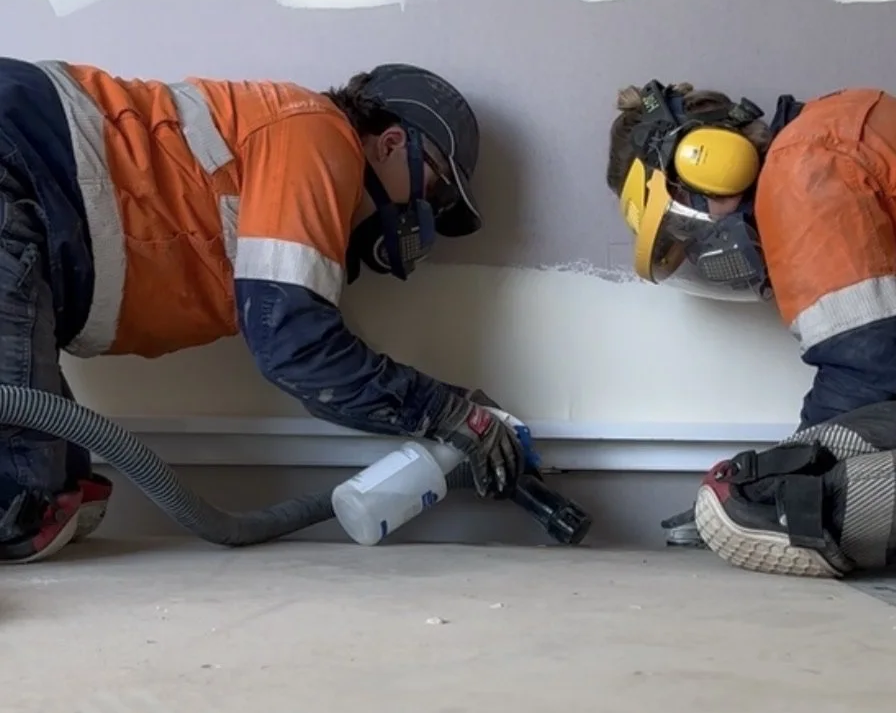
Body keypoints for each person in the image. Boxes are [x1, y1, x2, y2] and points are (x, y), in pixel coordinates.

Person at [0, 58, 526, 564]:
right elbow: (297, 346)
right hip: (18, 160)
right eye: (434, 189)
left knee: (69, 504)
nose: (426, 213)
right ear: (390, 144)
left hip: (35, 203)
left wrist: (448, 411)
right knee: (20, 508)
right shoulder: (319, 135)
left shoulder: (300, 157)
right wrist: (448, 412)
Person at [606, 79, 896, 574]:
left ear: (710, 160)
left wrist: (776, 479)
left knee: (789, 499)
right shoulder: (829, 130)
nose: (699, 245)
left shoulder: (802, 167)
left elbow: (871, 371)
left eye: (689, 224)